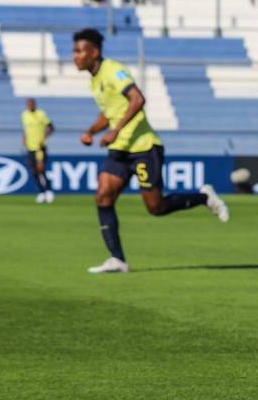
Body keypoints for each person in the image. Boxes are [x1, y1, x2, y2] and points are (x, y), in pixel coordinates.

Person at [72, 28, 230, 273]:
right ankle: (118, 260)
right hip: (120, 150)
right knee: (103, 196)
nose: (75, 56)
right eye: (75, 51)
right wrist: (92, 131)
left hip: (144, 147)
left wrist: (115, 131)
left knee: (156, 208)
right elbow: (110, 112)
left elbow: (137, 99)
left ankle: (204, 197)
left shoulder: (113, 70)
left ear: (95, 52)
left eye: (80, 51)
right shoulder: (94, 80)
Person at [22, 98, 55, 203]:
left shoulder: (41, 114)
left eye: (31, 104)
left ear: (35, 104)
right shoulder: (24, 115)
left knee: (42, 169)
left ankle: (49, 191)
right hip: (30, 147)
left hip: (40, 147)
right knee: (34, 171)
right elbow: (26, 129)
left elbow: (51, 127)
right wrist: (24, 138)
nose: (30, 106)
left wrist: (44, 137)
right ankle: (41, 192)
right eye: (28, 104)